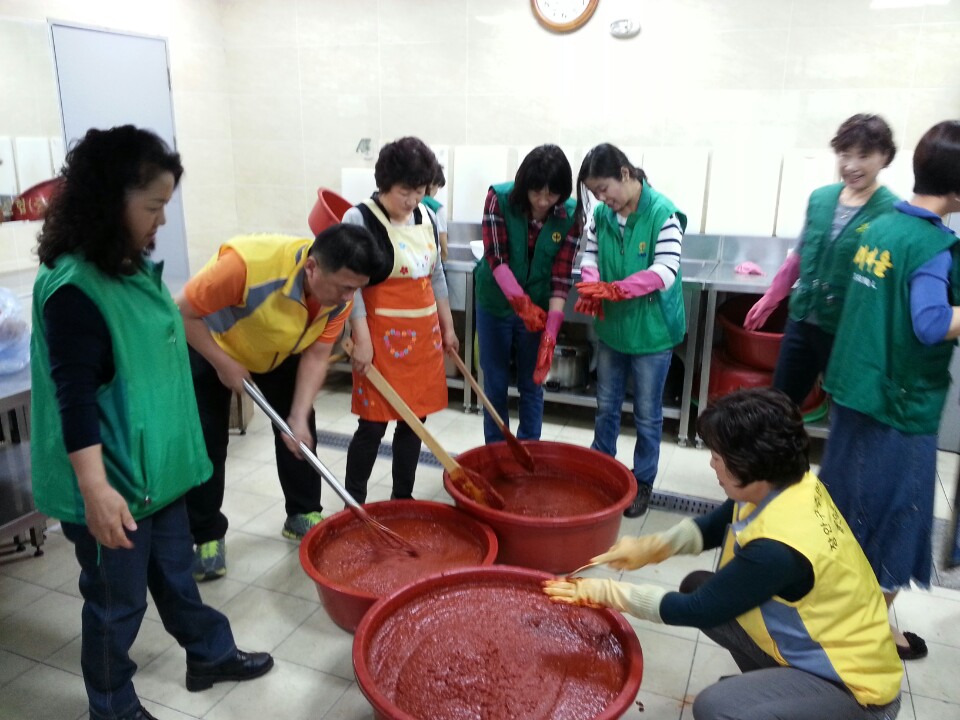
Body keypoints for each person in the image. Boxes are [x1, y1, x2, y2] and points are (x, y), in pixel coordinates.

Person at [30, 126, 273, 720]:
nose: (161, 220)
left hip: (157, 474)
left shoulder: (127, 266)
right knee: (117, 602)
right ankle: (110, 705)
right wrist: (95, 490)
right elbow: (75, 397)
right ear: (109, 201)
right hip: (114, 482)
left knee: (175, 573)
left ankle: (208, 654)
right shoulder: (74, 290)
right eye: (153, 206)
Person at [543, 388, 903, 720]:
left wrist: (608, 593)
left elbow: (697, 610)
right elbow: (717, 524)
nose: (712, 465)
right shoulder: (787, 483)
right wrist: (652, 547)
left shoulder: (778, 550)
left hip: (857, 691)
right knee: (697, 583)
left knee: (716, 706)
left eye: (718, 457)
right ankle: (775, 693)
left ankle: (790, 705)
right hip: (820, 650)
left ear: (753, 465)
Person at [818, 119, 960, 662]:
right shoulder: (932, 243)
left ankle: (828, 611)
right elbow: (928, 323)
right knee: (898, 519)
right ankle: (866, 631)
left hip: (855, 391)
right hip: (900, 407)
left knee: (845, 509)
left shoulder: (877, 228)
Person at [176, 222, 384, 580]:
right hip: (211, 344)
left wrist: (299, 416)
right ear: (312, 268)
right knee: (209, 439)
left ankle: (301, 513)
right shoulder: (244, 265)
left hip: (278, 349)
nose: (350, 298)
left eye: (357, 289)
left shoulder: (339, 300)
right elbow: (181, 312)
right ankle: (206, 535)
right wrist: (225, 364)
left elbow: (317, 357)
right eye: (345, 287)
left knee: (300, 431)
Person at [744, 114, 898, 406]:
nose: (851, 166)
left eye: (863, 156)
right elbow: (800, 256)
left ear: (885, 157)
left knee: (846, 406)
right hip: (802, 320)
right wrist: (771, 298)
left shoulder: (892, 211)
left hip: (848, 330)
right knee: (779, 404)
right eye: (844, 154)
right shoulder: (821, 198)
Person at [341, 136, 459, 504]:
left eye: (419, 191)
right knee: (373, 424)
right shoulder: (358, 217)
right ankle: (354, 501)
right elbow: (353, 288)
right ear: (384, 183)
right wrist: (361, 339)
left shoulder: (428, 215)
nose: (412, 201)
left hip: (423, 340)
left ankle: (402, 500)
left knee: (414, 425)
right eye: (404, 191)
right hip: (379, 338)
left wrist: (448, 327)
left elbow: (436, 274)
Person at [574, 143, 686, 518]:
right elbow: (589, 254)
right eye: (594, 194)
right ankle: (599, 470)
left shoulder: (662, 213)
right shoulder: (602, 216)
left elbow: (665, 270)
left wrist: (620, 288)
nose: (602, 200)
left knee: (647, 413)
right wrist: (592, 282)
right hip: (613, 329)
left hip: (652, 333)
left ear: (625, 173)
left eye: (604, 189)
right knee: (606, 406)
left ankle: (643, 481)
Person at [474, 144, 580, 443]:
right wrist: (520, 304)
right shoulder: (500, 198)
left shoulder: (571, 215)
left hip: (540, 307)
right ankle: (496, 450)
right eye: (537, 193)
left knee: (533, 384)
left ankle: (530, 449)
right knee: (494, 383)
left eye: (552, 194)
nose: (544, 201)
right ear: (525, 186)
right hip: (495, 302)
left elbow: (561, 275)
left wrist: (551, 330)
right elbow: (496, 257)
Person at [422, 164, 449, 262]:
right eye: (438, 186)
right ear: (432, 184)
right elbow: (442, 236)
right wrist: (444, 256)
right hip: (431, 259)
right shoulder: (437, 208)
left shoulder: (410, 204)